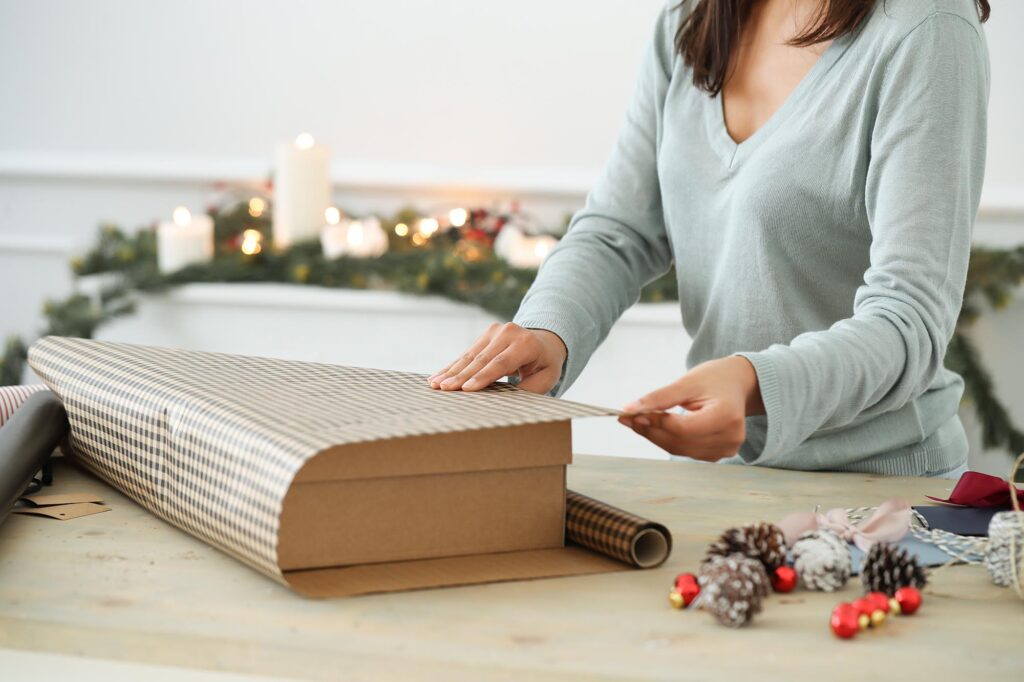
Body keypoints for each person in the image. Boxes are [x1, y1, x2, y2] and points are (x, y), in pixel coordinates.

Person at [428, 0, 991, 478]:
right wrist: (550, 332)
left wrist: (753, 384)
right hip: (718, 482)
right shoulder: (691, 17)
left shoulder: (929, 29)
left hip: (877, 494)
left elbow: (908, 321)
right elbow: (619, 229)